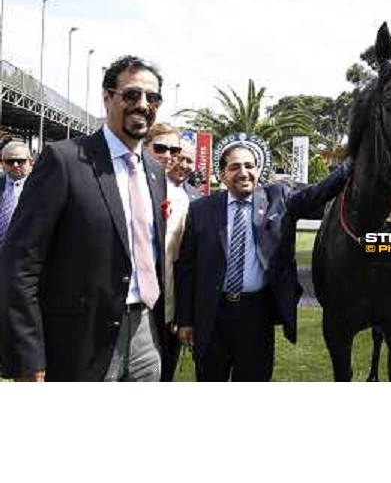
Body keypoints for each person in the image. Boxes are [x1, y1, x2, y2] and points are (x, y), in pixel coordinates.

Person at [0, 55, 168, 382]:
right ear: (107, 97)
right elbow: (21, 265)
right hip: (81, 340)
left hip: (146, 334)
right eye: (132, 95)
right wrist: (29, 356)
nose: (143, 104)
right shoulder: (64, 161)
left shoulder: (155, 174)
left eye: (153, 98)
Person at [176, 142, 352, 381]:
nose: (243, 172)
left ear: (258, 170)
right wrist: (185, 320)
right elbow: (186, 268)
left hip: (257, 315)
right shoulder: (201, 210)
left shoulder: (278, 197)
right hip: (212, 315)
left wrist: (351, 164)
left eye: (249, 165)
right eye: (235, 166)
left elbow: (317, 193)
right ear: (223, 174)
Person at [144, 124, 201, 381]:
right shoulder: (139, 188)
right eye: (162, 149)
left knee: (166, 366)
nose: (178, 161)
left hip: (174, 298)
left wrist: (184, 312)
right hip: (138, 300)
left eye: (178, 153)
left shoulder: (194, 198)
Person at [0, 141, 33, 248]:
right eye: (10, 161)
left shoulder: (42, 186)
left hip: (24, 254)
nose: (15, 165)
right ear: (3, 163)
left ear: (30, 162)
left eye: (20, 161)